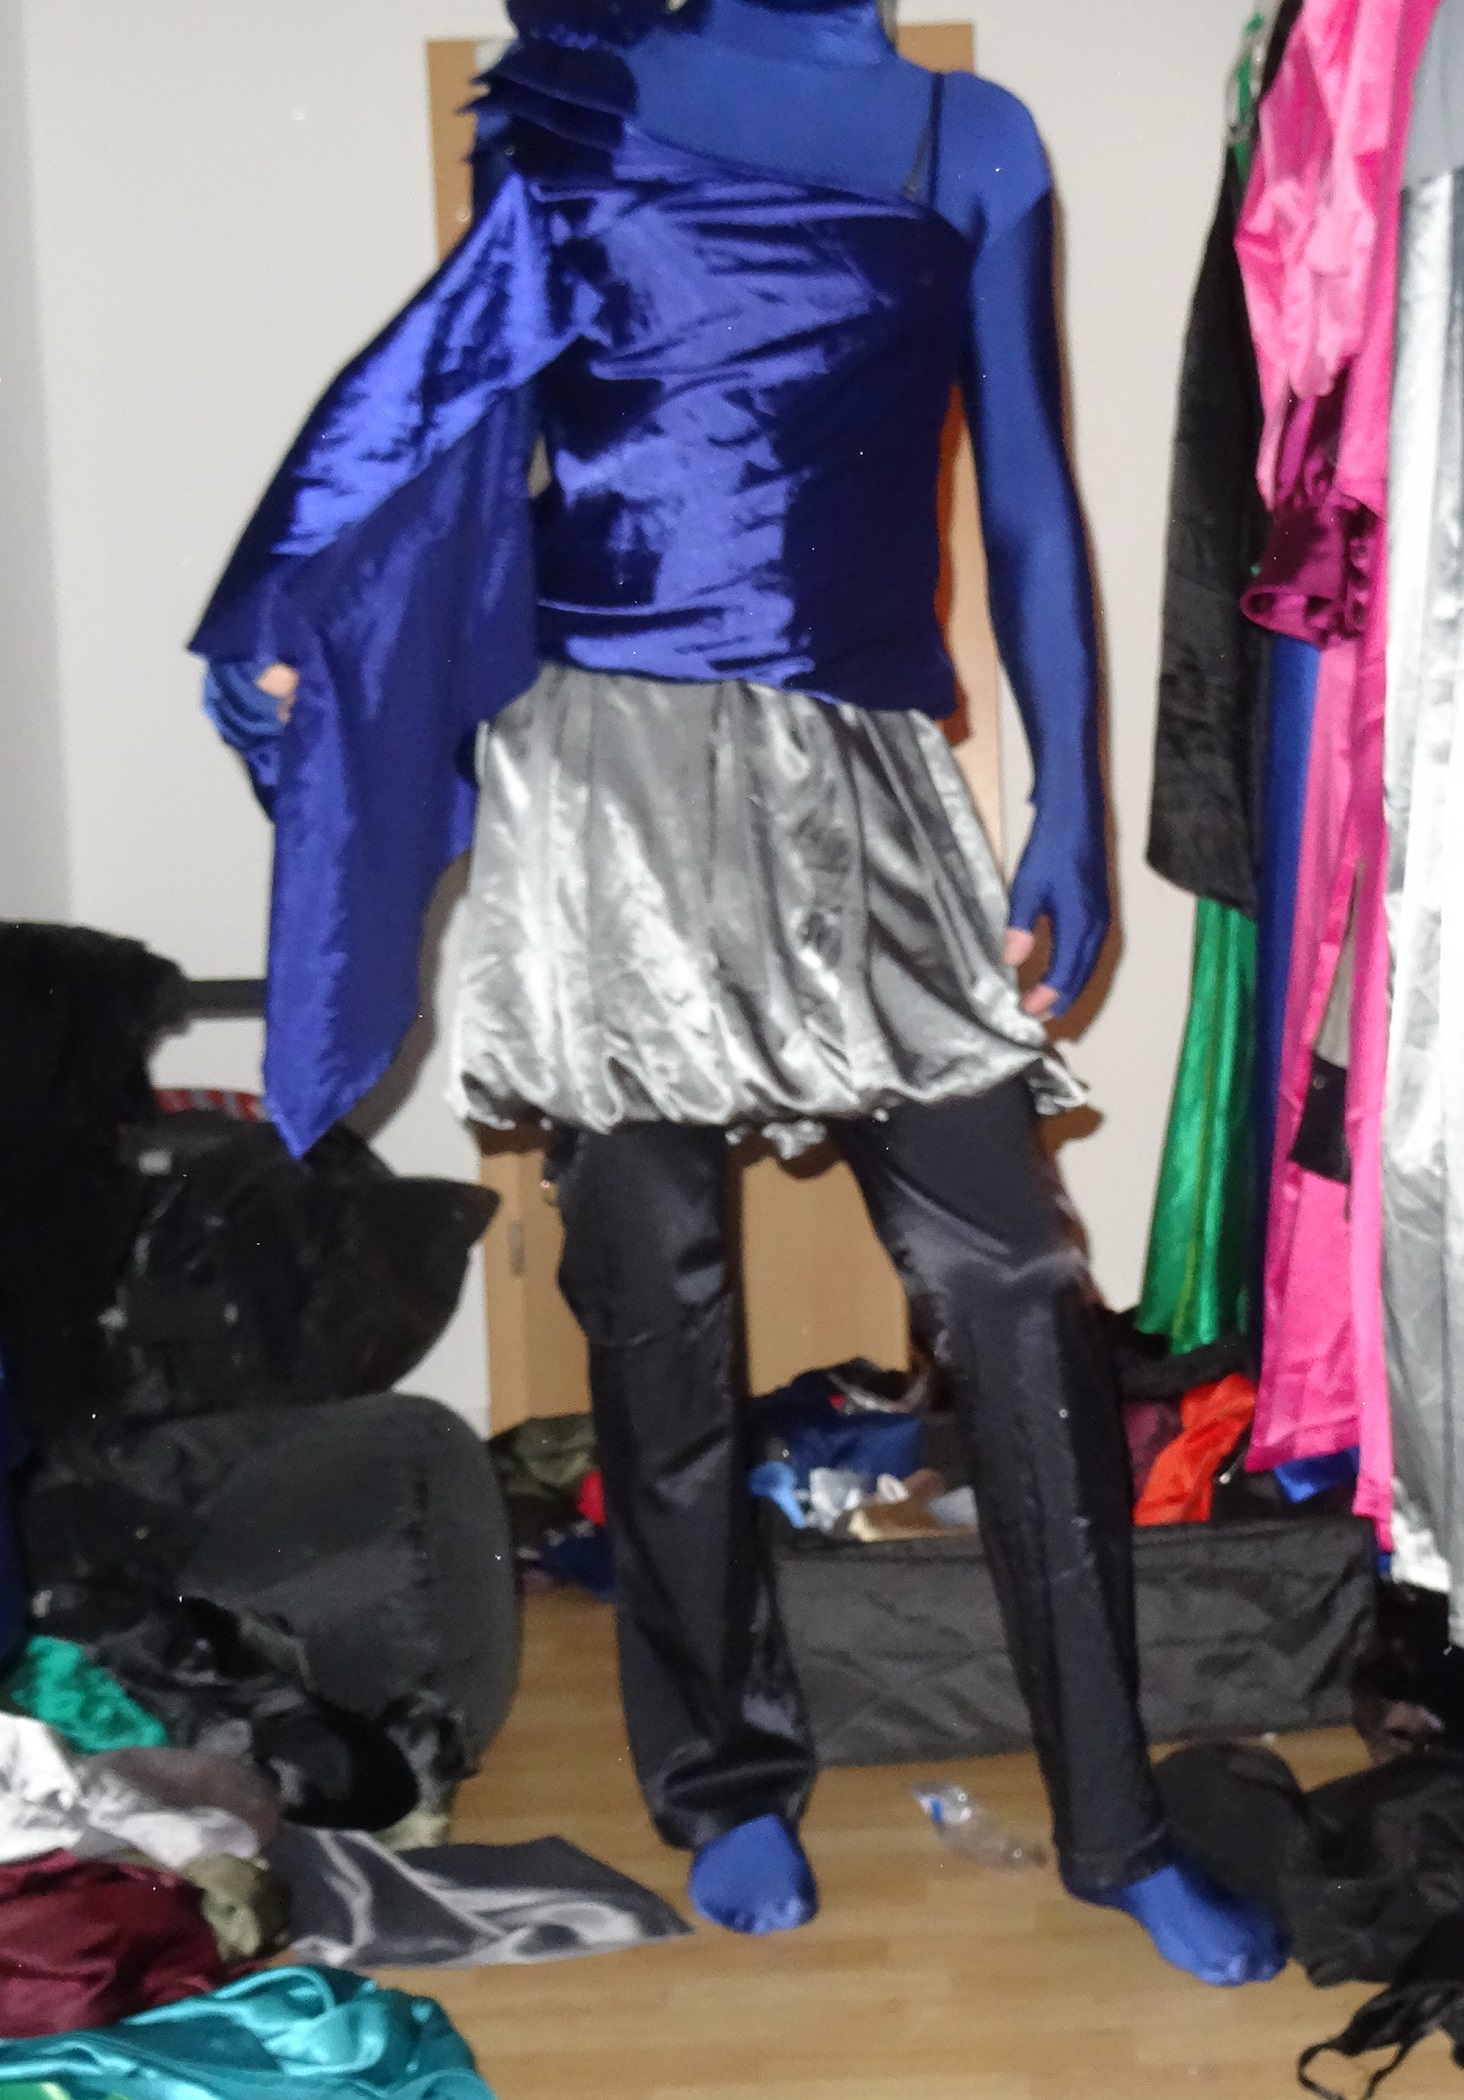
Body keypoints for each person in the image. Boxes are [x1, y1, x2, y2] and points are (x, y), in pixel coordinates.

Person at [192, 0, 1285, 1983]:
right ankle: (724, 1780)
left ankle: (1115, 1820)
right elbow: (445, 406)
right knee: (655, 1293)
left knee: (1013, 1284)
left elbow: (1026, 492)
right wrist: (306, 604)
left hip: (862, 776)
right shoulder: (577, 97)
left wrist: (1067, 793)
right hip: (604, 774)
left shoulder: (971, 136)